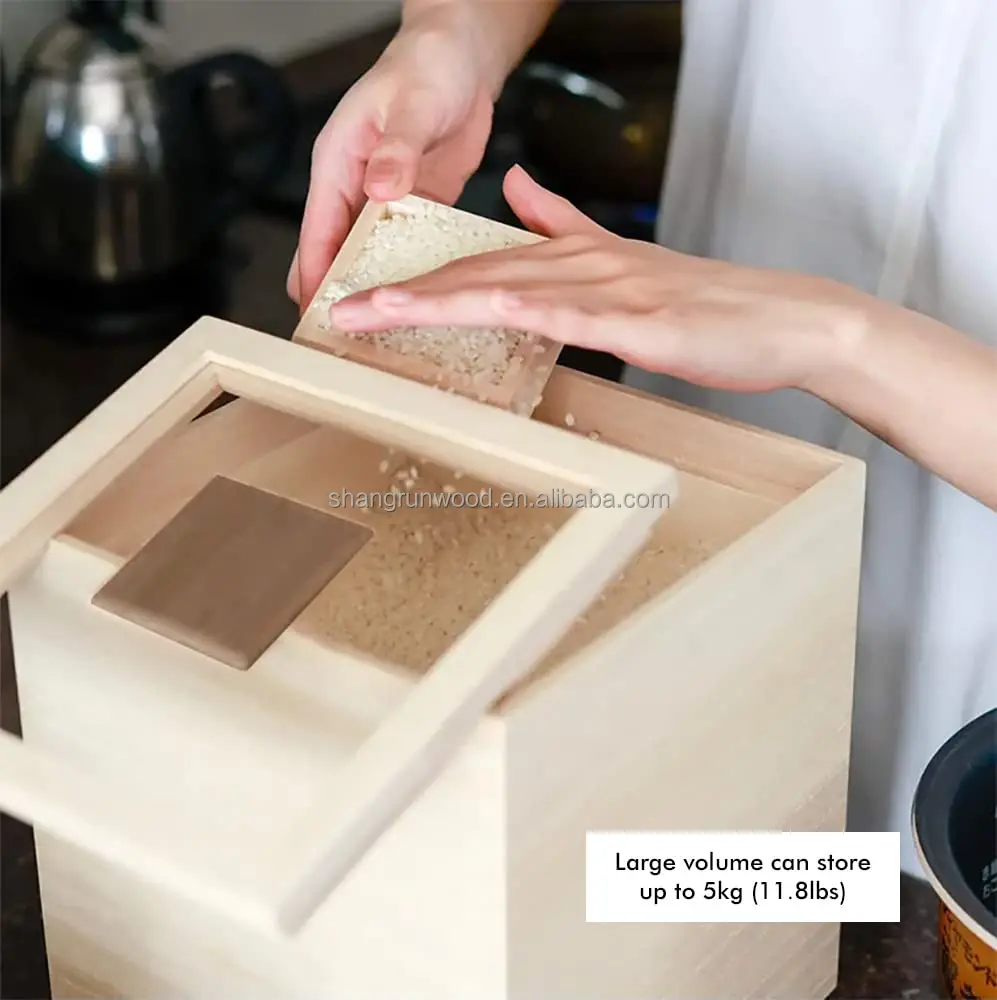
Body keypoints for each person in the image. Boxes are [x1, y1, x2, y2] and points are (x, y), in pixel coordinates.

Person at [288, 0, 997, 878]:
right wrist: (455, 33)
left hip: (972, 632)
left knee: (890, 900)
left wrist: (833, 337)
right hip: (700, 403)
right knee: (674, 860)